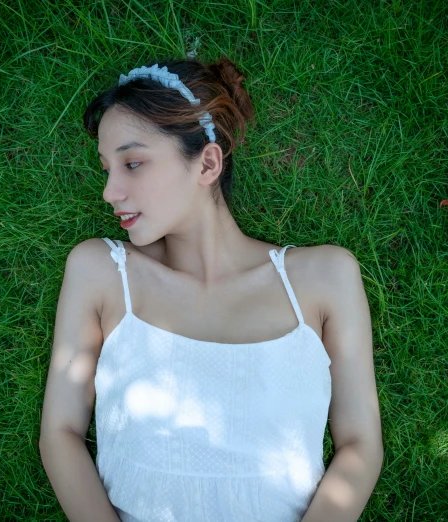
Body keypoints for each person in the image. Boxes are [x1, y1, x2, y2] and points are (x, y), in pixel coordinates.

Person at [39, 57, 383, 522]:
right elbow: (60, 432)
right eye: (106, 169)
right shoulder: (101, 271)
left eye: (133, 163)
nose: (110, 191)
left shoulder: (323, 278)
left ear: (207, 163)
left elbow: (360, 445)